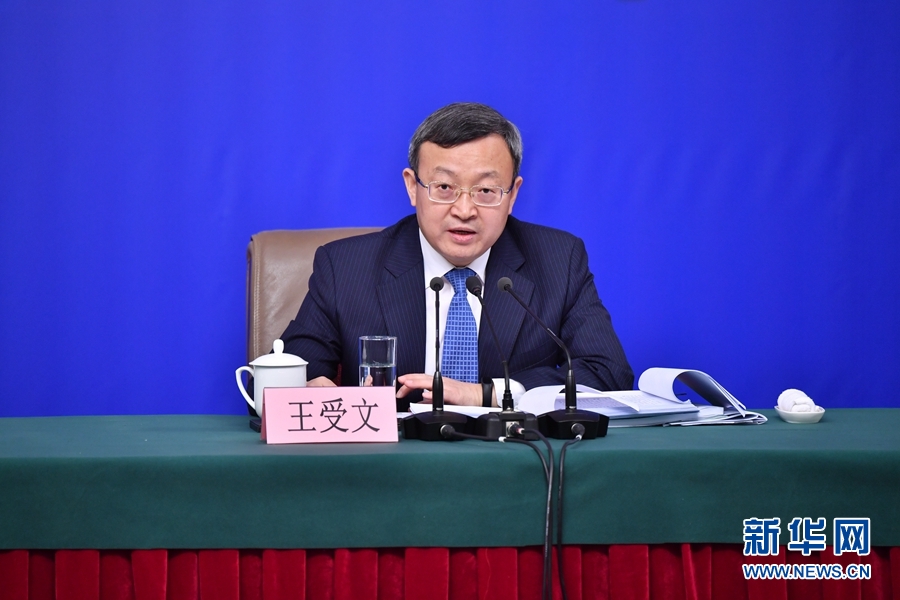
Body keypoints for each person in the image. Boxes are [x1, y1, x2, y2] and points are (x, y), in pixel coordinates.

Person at [281, 102, 633, 411]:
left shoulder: (558, 261)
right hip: (393, 458)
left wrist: (486, 394)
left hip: (515, 457)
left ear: (512, 195)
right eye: (445, 187)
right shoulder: (346, 268)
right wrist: (310, 386)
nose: (464, 210)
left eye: (486, 190)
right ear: (412, 187)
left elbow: (608, 372)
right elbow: (288, 367)